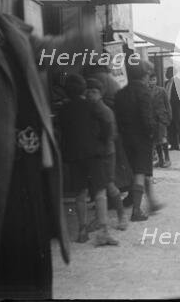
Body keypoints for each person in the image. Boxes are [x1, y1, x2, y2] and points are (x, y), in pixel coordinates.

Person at [0, 0, 98, 299]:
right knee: (6, 260)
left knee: (37, 254)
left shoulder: (9, 28)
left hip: (31, 165)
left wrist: (81, 38)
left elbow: (53, 50)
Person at [59, 74, 120, 246]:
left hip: (74, 156)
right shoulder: (91, 105)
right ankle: (104, 232)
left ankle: (82, 230)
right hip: (94, 154)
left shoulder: (63, 109)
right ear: (83, 89)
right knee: (100, 192)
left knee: (80, 193)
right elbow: (107, 125)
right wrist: (102, 140)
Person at [115, 61, 163, 221]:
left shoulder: (120, 93)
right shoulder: (144, 92)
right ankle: (136, 210)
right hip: (142, 139)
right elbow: (147, 119)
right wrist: (153, 135)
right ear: (144, 75)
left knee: (139, 171)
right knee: (140, 173)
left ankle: (151, 202)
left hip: (126, 138)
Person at [85, 78, 127, 232]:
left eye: (94, 92)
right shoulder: (89, 109)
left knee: (109, 185)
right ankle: (100, 218)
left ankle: (122, 216)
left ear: (101, 94)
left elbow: (111, 135)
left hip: (106, 153)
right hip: (96, 153)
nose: (90, 95)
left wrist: (99, 144)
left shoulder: (105, 111)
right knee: (97, 188)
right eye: (88, 91)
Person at [148, 72, 172, 168]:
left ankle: (167, 159)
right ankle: (160, 160)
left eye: (153, 80)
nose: (152, 82)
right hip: (152, 119)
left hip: (161, 118)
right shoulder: (145, 91)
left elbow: (167, 105)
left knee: (163, 138)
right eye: (150, 80)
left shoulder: (162, 91)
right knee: (156, 140)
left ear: (156, 80)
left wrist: (169, 117)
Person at [165, 65, 180, 151]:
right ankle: (174, 145)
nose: (166, 74)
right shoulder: (166, 83)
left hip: (177, 108)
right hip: (168, 109)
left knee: (179, 127)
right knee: (171, 127)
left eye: (168, 72)